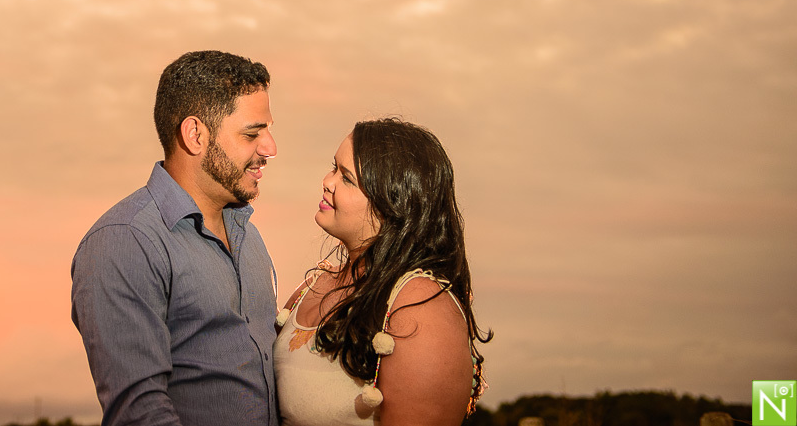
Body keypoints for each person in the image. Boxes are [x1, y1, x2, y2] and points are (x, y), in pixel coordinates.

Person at [71, 50, 280, 426]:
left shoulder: (248, 235)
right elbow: (140, 414)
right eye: (252, 134)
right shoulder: (125, 242)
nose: (270, 149)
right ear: (195, 135)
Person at [274, 117, 491, 426]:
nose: (327, 181)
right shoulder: (311, 287)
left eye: (347, 178)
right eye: (334, 167)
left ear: (392, 203)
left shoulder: (419, 306)